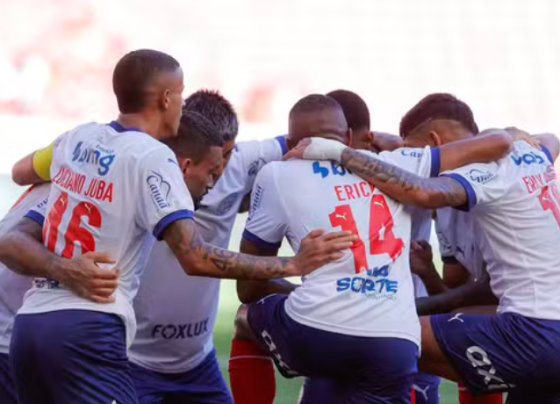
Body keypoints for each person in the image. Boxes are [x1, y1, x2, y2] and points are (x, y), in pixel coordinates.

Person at [0, 50, 354, 404]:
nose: (184, 106)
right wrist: (293, 263)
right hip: (88, 330)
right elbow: (194, 255)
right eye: (182, 94)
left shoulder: (76, 139)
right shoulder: (153, 158)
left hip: (30, 326)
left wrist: (59, 265)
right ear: (166, 99)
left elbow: (21, 174)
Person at [231, 93, 513, 404]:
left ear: (290, 144)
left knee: (245, 318)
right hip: (395, 339)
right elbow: (499, 142)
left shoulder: (277, 173)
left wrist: (306, 286)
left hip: (319, 329)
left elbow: (249, 284)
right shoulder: (400, 164)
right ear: (349, 138)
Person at [287, 93, 560, 403]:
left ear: (434, 142)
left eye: (415, 153)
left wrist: (342, 153)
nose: (414, 161)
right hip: (548, 330)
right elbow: (552, 139)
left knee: (383, 335)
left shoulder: (485, 170)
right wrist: (512, 131)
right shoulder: (529, 151)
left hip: (533, 330)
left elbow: (423, 192)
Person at [128, 89, 289, 404]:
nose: (221, 167)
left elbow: (303, 137)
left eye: (227, 155)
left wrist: (373, 144)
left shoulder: (240, 161)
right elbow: (195, 259)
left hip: (197, 364)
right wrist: (294, 264)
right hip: (135, 363)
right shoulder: (148, 170)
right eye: (214, 158)